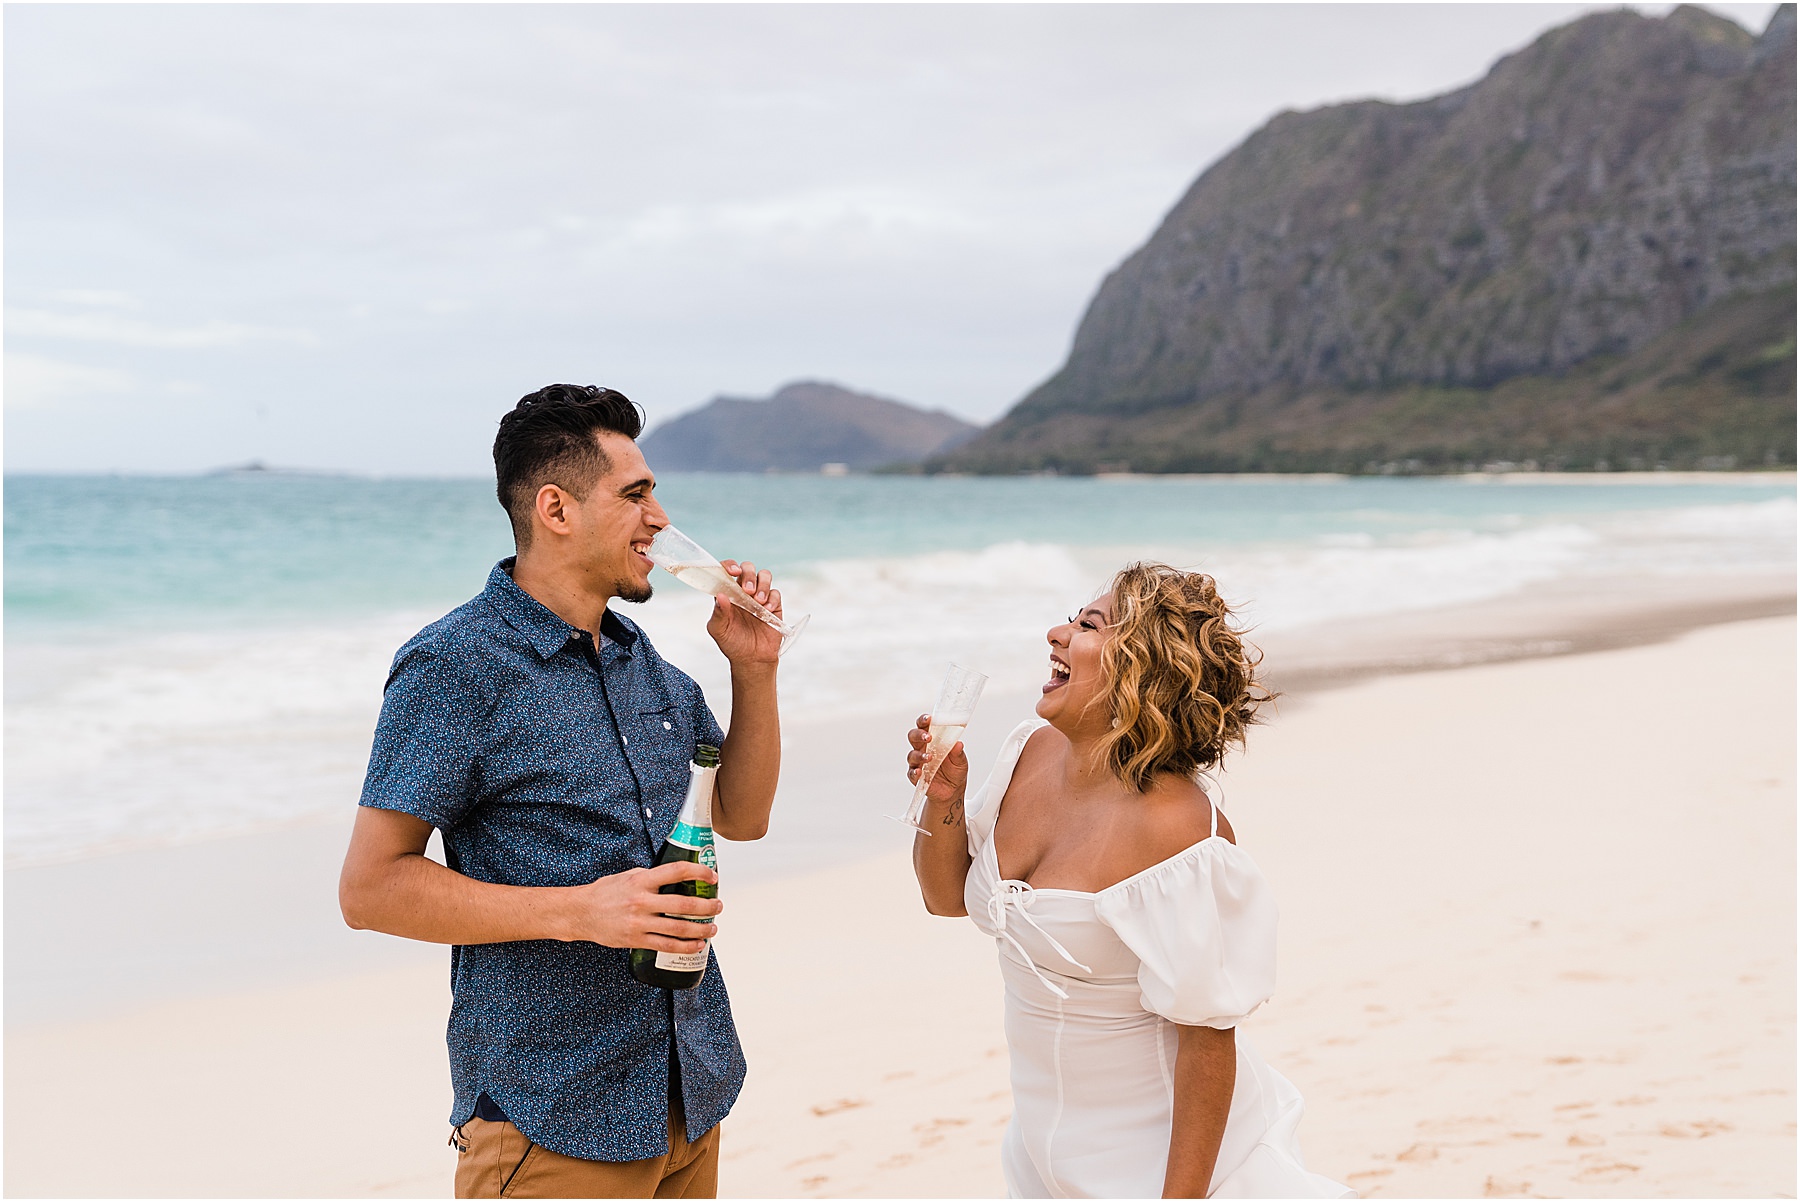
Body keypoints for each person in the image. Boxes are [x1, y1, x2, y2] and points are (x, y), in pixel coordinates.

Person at [340, 384, 785, 1199]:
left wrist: (752, 669)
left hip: (689, 1098)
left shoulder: (645, 664)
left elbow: (743, 815)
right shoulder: (456, 667)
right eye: (636, 494)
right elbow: (370, 889)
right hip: (552, 1121)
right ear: (556, 508)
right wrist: (579, 911)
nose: (659, 518)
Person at [906, 562, 1351, 1199]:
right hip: (1044, 1152)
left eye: (1089, 624)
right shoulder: (1028, 750)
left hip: (1167, 1163)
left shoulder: (1177, 831)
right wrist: (943, 796)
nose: (1056, 633)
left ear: (1139, 666)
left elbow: (1206, 1043)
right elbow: (944, 898)